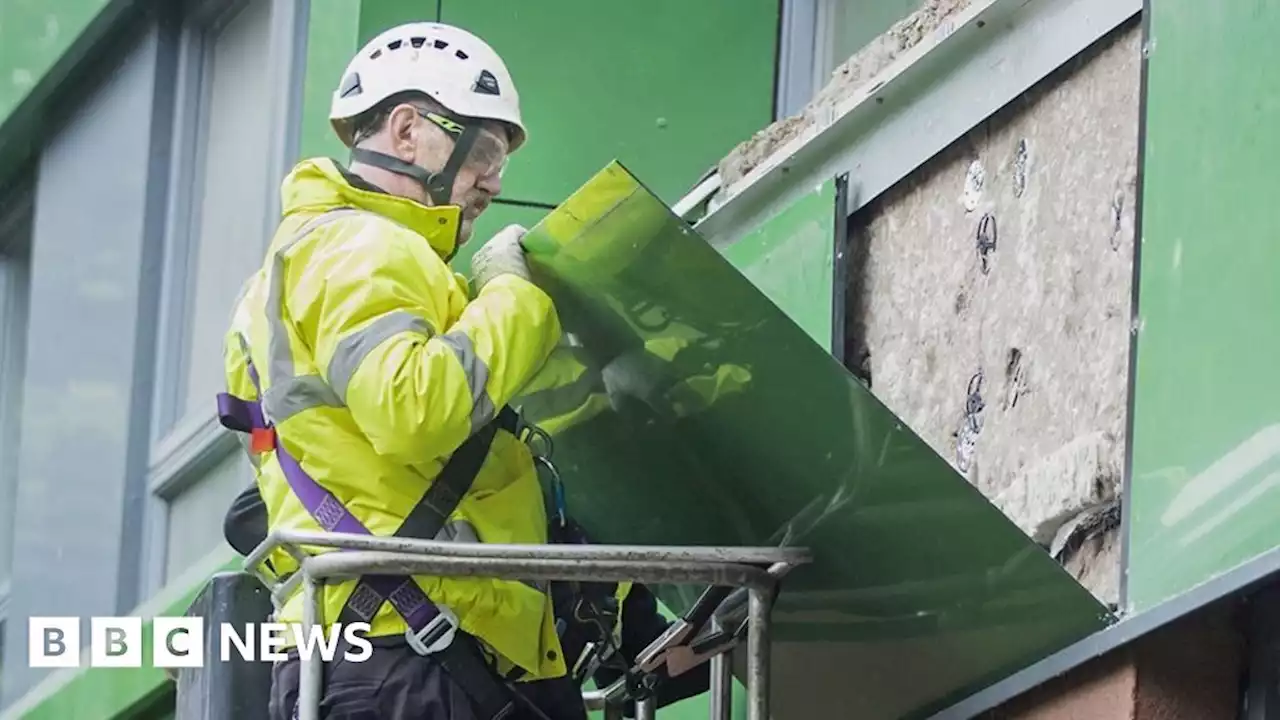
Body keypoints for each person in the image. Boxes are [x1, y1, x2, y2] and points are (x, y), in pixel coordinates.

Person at [215, 20, 712, 720]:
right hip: (414, 652)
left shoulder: (308, 262)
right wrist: (515, 295)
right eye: (482, 149)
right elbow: (418, 409)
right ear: (408, 128)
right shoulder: (364, 246)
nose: (494, 180)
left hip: (400, 649)